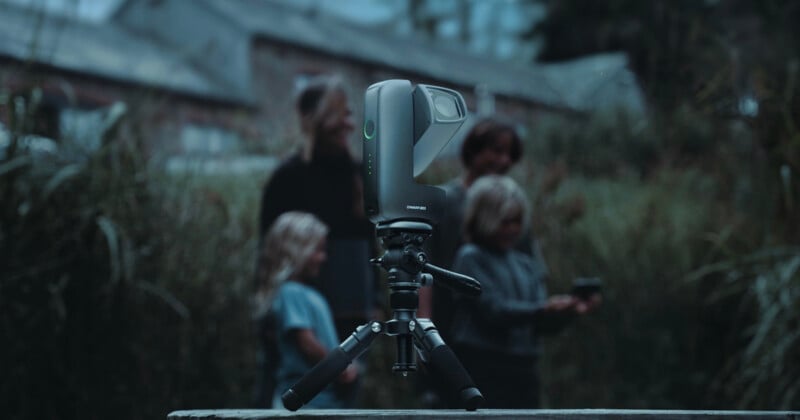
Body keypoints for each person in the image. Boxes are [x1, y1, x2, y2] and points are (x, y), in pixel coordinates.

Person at [448, 175, 600, 408]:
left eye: (517, 222)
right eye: (505, 222)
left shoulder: (526, 264)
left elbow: (539, 325)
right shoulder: (470, 258)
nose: (512, 229)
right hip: (482, 367)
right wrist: (543, 309)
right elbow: (494, 310)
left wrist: (568, 311)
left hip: (524, 370)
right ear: (483, 219)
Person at [258, 75, 379, 343]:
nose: (348, 123)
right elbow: (268, 250)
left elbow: (370, 244)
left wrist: (376, 299)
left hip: (356, 310)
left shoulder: (360, 174)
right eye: (337, 114)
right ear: (314, 119)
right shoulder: (289, 177)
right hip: (303, 316)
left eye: (349, 114)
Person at [253, 211, 359, 409]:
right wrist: (339, 367)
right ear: (295, 250)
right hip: (304, 402)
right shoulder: (291, 292)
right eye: (318, 250)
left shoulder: (304, 293)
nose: (323, 257)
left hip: (320, 401)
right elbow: (307, 342)